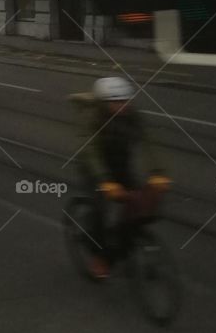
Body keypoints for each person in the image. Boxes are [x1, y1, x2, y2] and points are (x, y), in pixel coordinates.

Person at [69, 76, 170, 280]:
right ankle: (99, 257)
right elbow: (92, 150)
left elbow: (148, 141)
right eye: (116, 102)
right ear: (103, 103)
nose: (122, 106)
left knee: (140, 205)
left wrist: (158, 172)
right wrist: (105, 180)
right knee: (99, 210)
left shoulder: (133, 116)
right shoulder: (93, 118)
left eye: (126, 100)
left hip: (121, 165)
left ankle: (125, 241)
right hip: (93, 168)